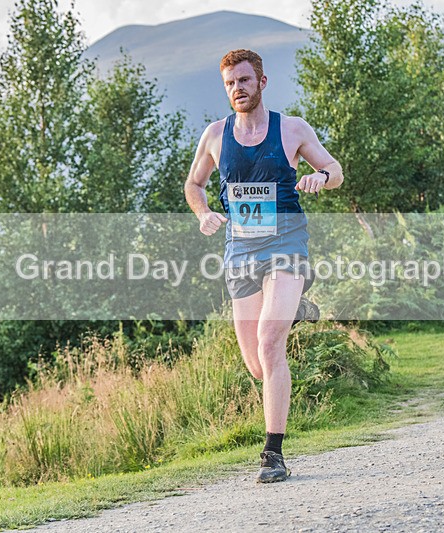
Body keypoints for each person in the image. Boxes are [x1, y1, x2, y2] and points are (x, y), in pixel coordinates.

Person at [184, 49, 343, 483]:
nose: (238, 88)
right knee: (256, 363)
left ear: (262, 82)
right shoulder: (215, 136)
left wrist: (320, 177)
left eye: (244, 80)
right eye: (230, 83)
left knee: (271, 342)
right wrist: (203, 214)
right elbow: (193, 184)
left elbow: (334, 168)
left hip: (286, 244)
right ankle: (298, 311)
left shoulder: (291, 129)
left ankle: (273, 453)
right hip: (240, 252)